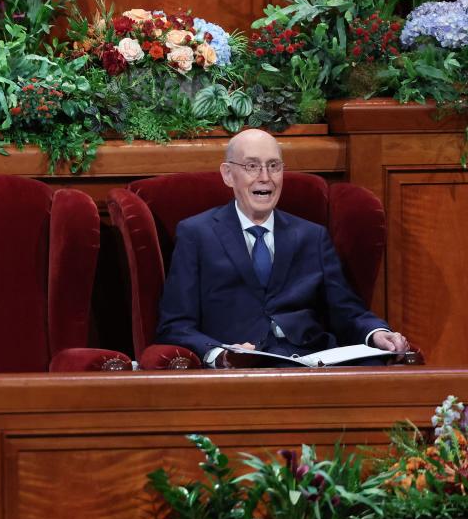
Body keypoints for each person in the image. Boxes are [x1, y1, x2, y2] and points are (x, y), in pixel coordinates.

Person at [155, 129, 409, 368]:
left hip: (311, 362)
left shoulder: (312, 236)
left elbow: (347, 310)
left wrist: (378, 333)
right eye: (252, 166)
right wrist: (220, 353)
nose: (265, 177)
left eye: (273, 166)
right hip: (239, 368)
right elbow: (175, 324)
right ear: (228, 174)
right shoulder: (196, 234)